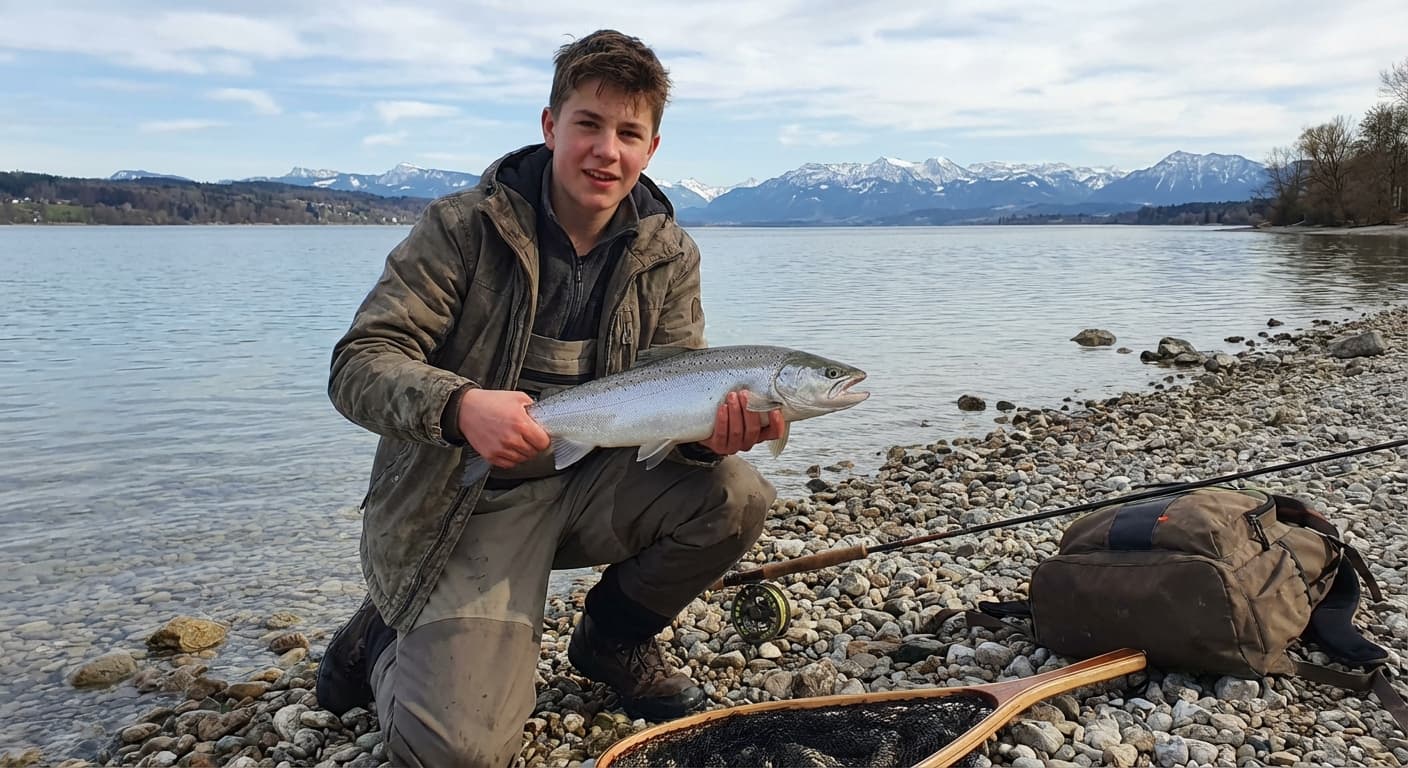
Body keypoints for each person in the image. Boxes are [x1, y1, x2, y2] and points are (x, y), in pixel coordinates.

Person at [318, 29, 779, 768]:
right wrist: (460, 406)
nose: (607, 150)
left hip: (592, 477)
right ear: (549, 126)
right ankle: (380, 638)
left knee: (734, 495)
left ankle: (611, 642)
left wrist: (705, 438)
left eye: (629, 133)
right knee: (459, 756)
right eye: (588, 125)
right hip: (463, 500)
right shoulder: (460, 229)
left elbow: (676, 388)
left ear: (651, 149)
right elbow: (359, 365)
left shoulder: (669, 252)